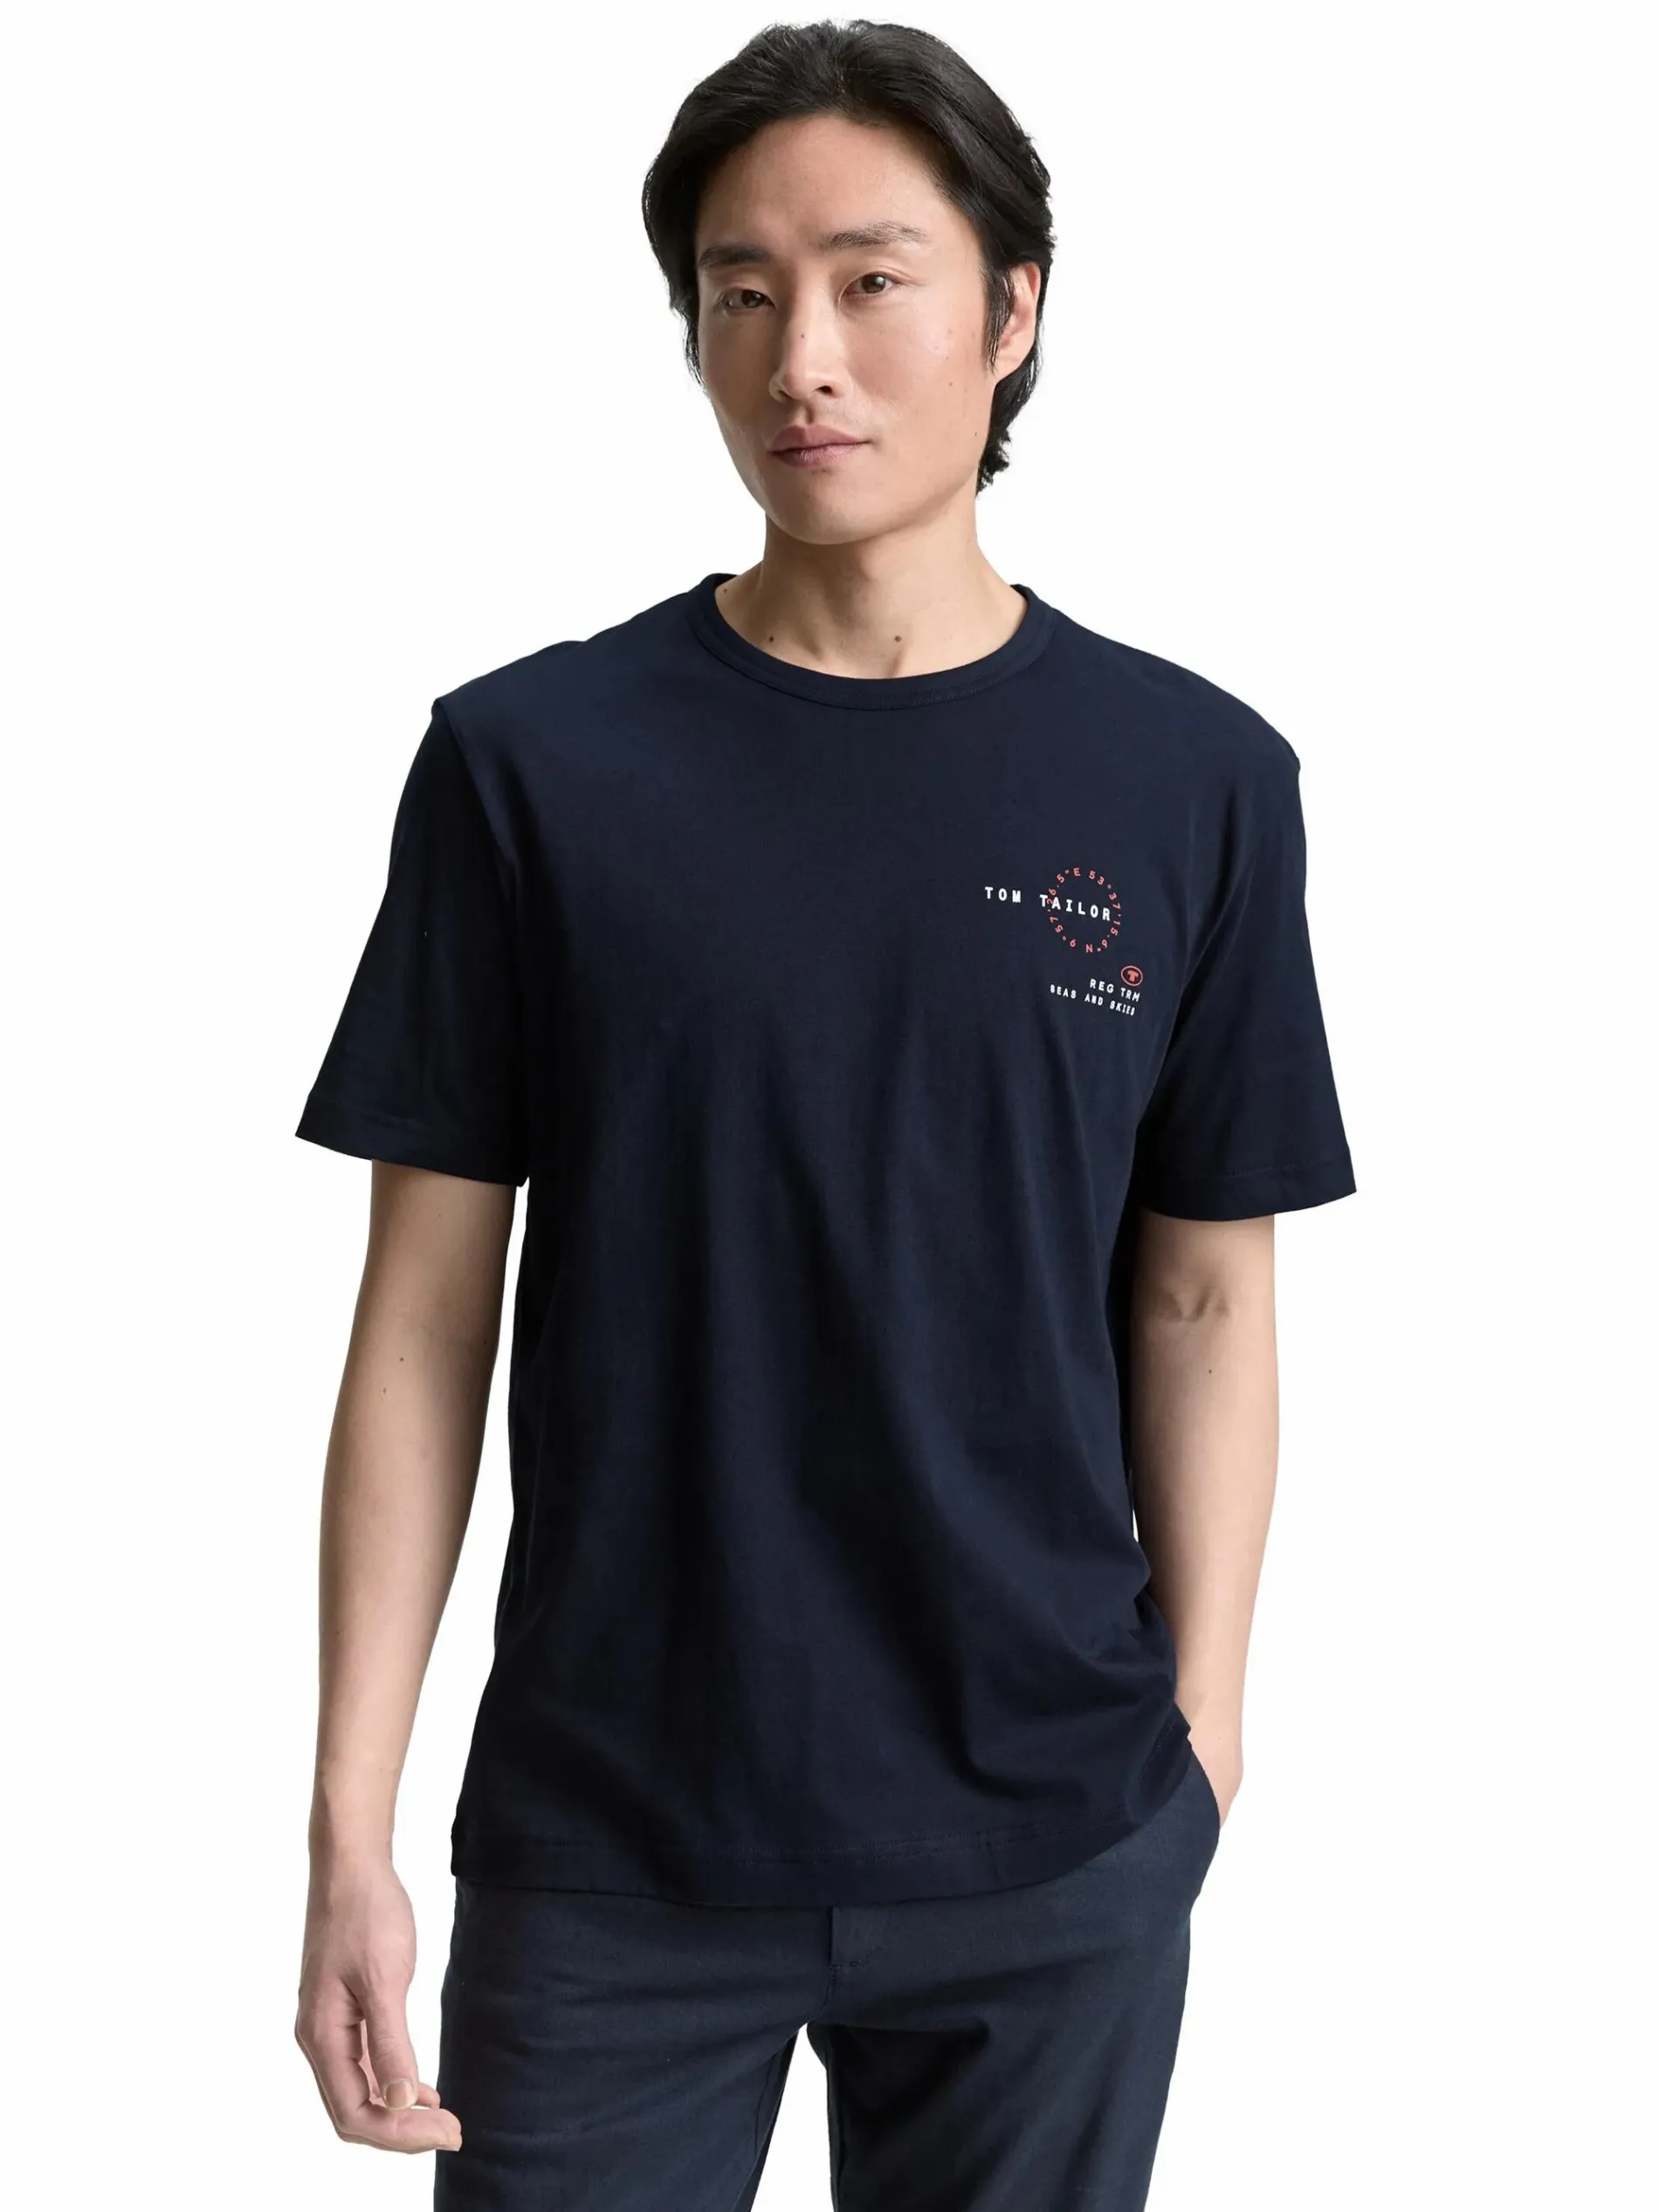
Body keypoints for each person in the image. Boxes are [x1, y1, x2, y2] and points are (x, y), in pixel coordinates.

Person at [292, 21, 1357, 2210]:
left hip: (1052, 1835)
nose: (802, 359)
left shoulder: (1193, 781)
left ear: (1012, 308)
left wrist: (1201, 1739)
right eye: (739, 290)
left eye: (872, 280)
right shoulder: (531, 765)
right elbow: (422, 1316)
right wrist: (347, 1821)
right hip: (612, 1836)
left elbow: (1200, 1298)